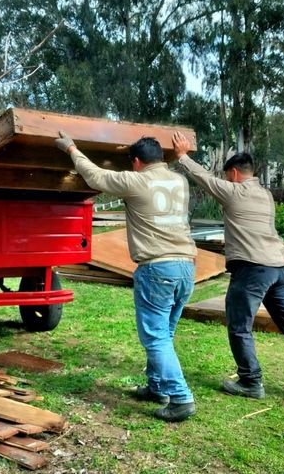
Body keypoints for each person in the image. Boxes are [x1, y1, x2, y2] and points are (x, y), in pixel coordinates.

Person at [172, 132, 284, 402]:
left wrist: (182, 157)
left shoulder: (234, 191)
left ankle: (250, 382)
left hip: (252, 268)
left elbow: (204, 178)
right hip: (281, 267)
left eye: (228, 176)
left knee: (239, 326)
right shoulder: (265, 195)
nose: (226, 180)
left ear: (235, 173)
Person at [54, 131, 198, 422]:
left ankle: (180, 398)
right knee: (165, 334)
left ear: (136, 162)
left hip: (157, 268)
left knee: (155, 337)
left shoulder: (136, 181)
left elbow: (94, 176)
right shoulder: (179, 181)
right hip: (185, 266)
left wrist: (71, 148)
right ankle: (157, 387)